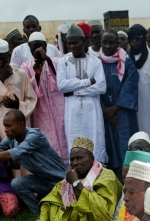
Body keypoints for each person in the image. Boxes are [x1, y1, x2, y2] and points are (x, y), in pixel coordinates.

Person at [0, 109, 66, 220]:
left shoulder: (34, 136)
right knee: (17, 183)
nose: (5, 130)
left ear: (21, 125)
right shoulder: (10, 140)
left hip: (61, 181)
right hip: (43, 181)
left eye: (9, 126)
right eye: (4, 126)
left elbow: (13, 154)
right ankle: (41, 218)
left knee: (69, 213)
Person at [31, 136, 121, 221]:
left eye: (79, 158)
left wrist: (76, 183)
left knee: (77, 209)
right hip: (75, 220)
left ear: (92, 158)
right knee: (52, 205)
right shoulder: (70, 178)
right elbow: (50, 199)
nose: (75, 163)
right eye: (72, 159)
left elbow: (104, 213)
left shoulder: (106, 176)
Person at [57, 24, 106, 162]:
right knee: (74, 144)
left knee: (95, 143)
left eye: (75, 42)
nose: (72, 46)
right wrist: (86, 82)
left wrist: (74, 91)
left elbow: (101, 87)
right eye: (69, 43)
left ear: (84, 42)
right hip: (73, 115)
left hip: (92, 114)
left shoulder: (95, 62)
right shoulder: (63, 62)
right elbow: (61, 86)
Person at [20, 32, 68, 165]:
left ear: (45, 46)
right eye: (34, 47)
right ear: (29, 48)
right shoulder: (26, 66)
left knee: (66, 140)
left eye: (40, 47)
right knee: (48, 142)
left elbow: (62, 82)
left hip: (61, 110)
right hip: (41, 113)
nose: (37, 50)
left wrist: (47, 60)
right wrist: (37, 75)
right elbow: (27, 90)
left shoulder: (57, 62)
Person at [97, 29, 138, 176]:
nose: (107, 46)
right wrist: (105, 111)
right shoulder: (95, 63)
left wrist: (114, 108)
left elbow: (130, 86)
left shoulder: (126, 62)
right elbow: (93, 89)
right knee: (107, 148)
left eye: (111, 42)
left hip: (123, 114)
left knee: (124, 147)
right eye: (104, 42)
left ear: (118, 43)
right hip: (102, 114)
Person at [0, 39, 37, 139]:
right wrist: (1, 79)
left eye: (2, 58)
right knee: (2, 150)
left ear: (9, 55)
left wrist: (18, 105)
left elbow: (32, 99)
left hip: (19, 123)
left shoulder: (21, 74)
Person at [127, 25, 150, 152]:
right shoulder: (124, 58)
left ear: (144, 39)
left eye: (138, 38)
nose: (134, 41)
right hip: (129, 108)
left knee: (149, 139)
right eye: (131, 39)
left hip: (149, 108)